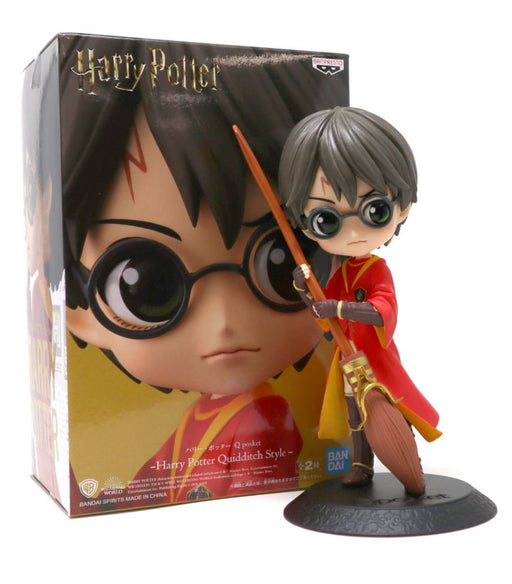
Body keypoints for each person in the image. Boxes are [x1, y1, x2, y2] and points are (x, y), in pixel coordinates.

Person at [58, 36, 349, 509]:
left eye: (280, 261)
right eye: (147, 286)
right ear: (79, 310)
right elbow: (148, 484)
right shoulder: (201, 419)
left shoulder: (261, 419)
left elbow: (254, 500)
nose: (224, 323)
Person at [279, 106, 441, 495]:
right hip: (350, 362)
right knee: (355, 415)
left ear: (402, 207)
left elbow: (382, 311)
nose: (353, 234)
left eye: (375, 210)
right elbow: (325, 318)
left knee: (393, 409)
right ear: (304, 224)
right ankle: (360, 465)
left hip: (376, 362)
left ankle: (408, 461)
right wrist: (307, 291)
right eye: (326, 219)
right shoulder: (342, 273)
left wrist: (335, 308)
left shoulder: (376, 270)